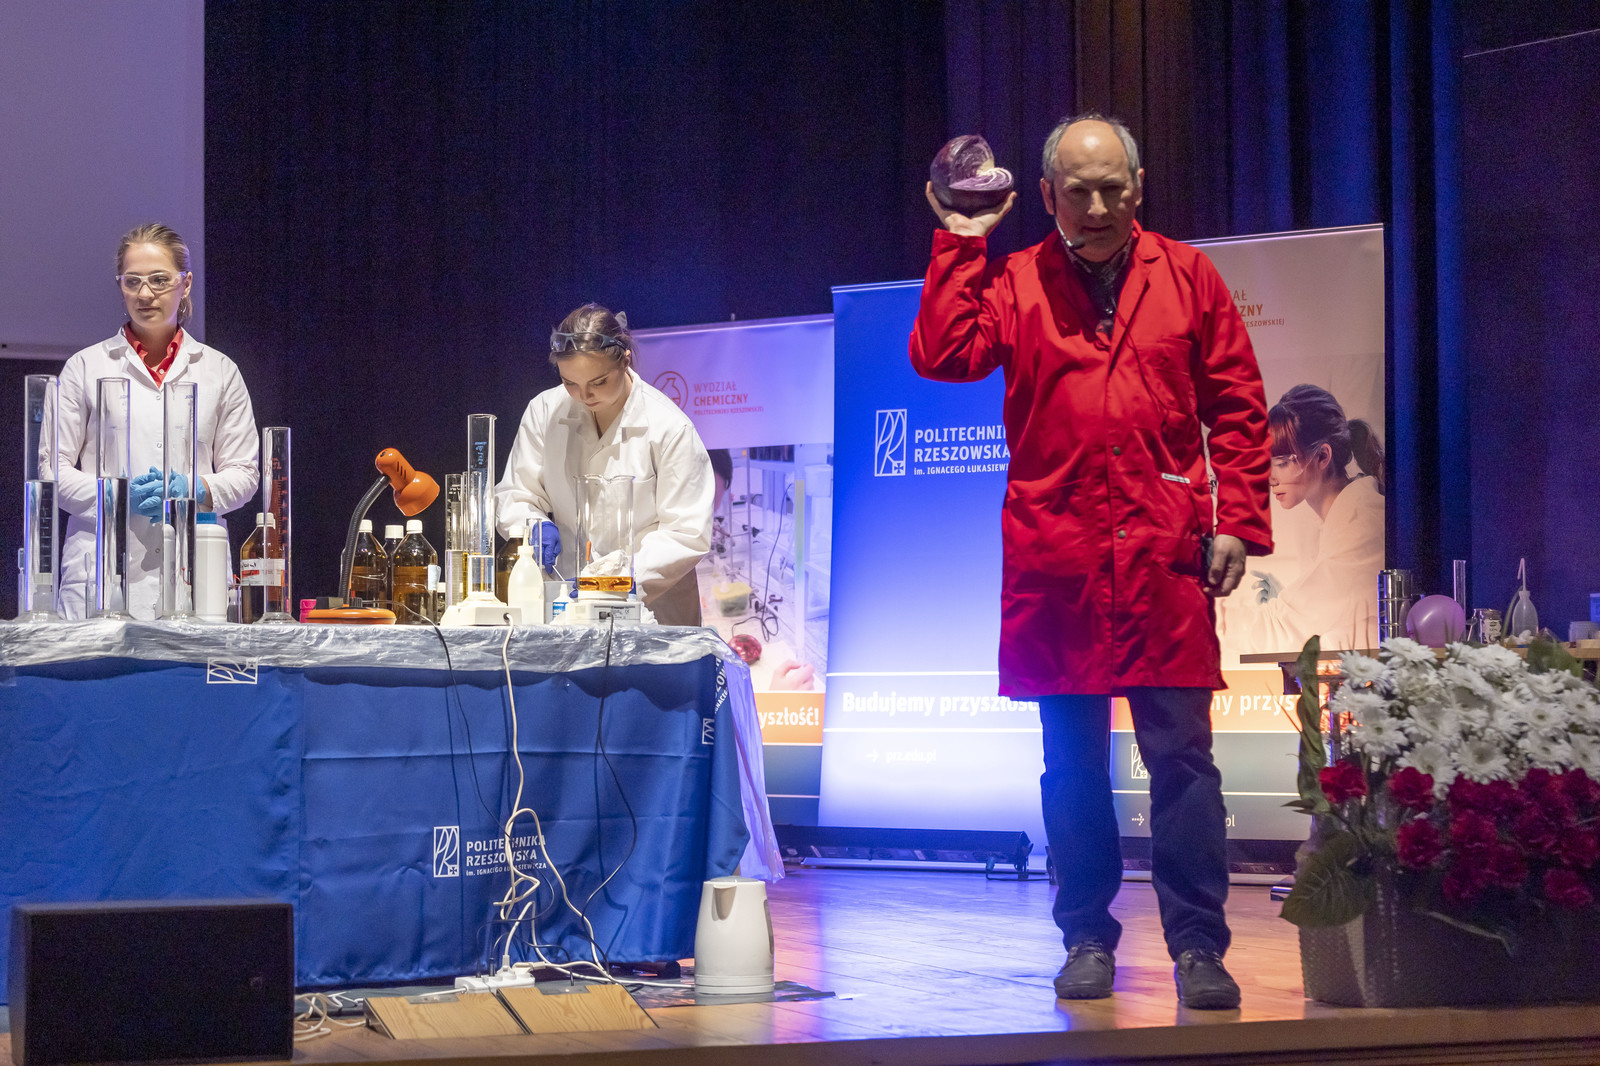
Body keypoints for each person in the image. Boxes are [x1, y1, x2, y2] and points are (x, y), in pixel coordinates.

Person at [909, 114, 1272, 1009]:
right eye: (1079, 191)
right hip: (1059, 558)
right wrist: (960, 243)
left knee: (1184, 762)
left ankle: (1199, 947)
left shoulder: (1188, 276)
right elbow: (943, 356)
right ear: (1046, 196)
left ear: (1139, 187)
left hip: (1162, 555)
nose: (1099, 207)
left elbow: (1237, 405)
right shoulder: (1014, 281)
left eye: (1114, 189)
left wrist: (1239, 520)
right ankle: (1084, 937)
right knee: (1069, 765)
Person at [55, 223, 259, 619]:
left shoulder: (220, 371)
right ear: (121, 286)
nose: (145, 294)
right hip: (100, 571)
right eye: (132, 281)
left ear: (186, 283)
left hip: (195, 565)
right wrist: (113, 497)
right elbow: (51, 472)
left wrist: (193, 488)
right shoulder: (85, 367)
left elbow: (245, 474)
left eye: (160, 280)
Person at [495, 303, 714, 626]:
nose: (584, 395)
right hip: (570, 602)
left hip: (653, 610)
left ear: (625, 360)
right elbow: (516, 494)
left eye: (598, 382)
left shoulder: (669, 427)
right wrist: (532, 525)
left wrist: (622, 580)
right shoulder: (545, 412)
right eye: (570, 383)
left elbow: (686, 532)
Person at [1246, 384, 1385, 651]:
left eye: (1283, 463)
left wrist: (1279, 608)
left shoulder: (1361, 523)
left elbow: (1276, 635)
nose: (1272, 478)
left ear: (1322, 456)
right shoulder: (1348, 515)